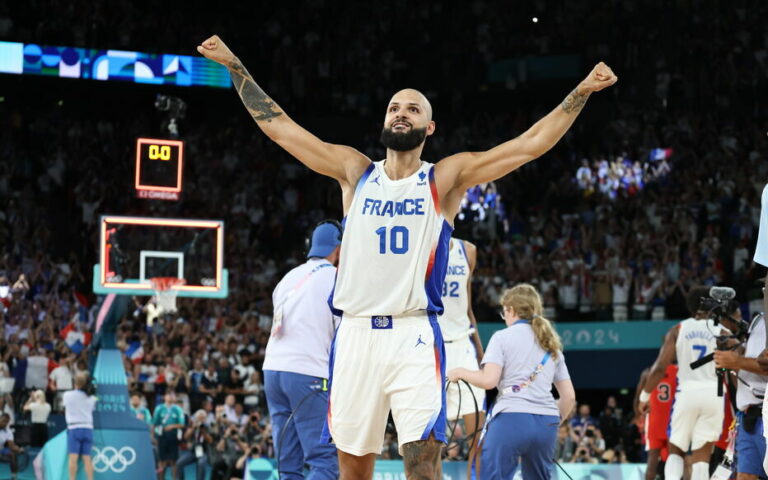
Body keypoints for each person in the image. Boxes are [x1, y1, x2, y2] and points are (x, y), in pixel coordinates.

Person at [197, 34, 615, 477]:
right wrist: (234, 65)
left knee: (423, 468)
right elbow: (279, 126)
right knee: (353, 470)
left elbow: (527, 145)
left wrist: (581, 92)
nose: (401, 113)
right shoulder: (355, 172)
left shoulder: (444, 179)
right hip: (355, 333)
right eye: (395, 107)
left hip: (413, 335)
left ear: (429, 128)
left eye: (413, 109)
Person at [448, 283, 576, 479]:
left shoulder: (502, 337)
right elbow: (568, 397)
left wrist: (460, 372)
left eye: (504, 312)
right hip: (547, 423)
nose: (504, 317)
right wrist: (551, 423)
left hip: (511, 418)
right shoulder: (552, 345)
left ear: (511, 310)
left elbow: (489, 381)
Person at [262, 221, 341, 479]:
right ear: (339, 249)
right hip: (307, 373)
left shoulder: (289, 277)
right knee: (324, 464)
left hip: (273, 371)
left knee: (288, 465)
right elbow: (344, 335)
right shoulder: (337, 278)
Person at [638, 286, 740, 480]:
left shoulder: (678, 329)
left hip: (687, 393)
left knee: (676, 450)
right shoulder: (721, 331)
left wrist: (644, 396)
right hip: (714, 395)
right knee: (702, 457)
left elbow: (660, 367)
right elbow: (739, 362)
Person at [440, 237, 485, 475]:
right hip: (433, 346)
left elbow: (468, 308)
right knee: (428, 441)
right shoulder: (420, 244)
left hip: (463, 344)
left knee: (478, 439)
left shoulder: (467, 251)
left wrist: (479, 349)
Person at [714, 305, 768, 480]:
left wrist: (737, 361)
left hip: (764, 412)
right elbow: (751, 357)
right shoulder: (759, 319)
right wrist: (735, 348)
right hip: (748, 415)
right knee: (744, 476)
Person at [635, 364, 677, 480]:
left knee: (652, 460)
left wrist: (638, 415)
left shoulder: (648, 372)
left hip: (654, 421)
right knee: (674, 460)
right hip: (672, 421)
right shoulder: (677, 370)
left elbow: (638, 397)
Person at [62, 372, 97, 480]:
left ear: (75, 382)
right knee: (87, 458)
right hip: (88, 429)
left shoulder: (67, 395)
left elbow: (64, 406)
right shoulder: (92, 398)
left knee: (73, 458)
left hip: (74, 429)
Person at [153, 392, 186, 480]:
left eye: (172, 395)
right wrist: (153, 437)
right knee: (161, 460)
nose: (170, 397)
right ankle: (161, 478)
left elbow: (182, 424)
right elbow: (154, 424)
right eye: (168, 395)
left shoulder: (178, 409)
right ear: (165, 397)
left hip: (173, 437)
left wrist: (172, 426)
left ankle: (174, 478)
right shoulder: (159, 408)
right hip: (162, 436)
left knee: (174, 461)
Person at [176, 410, 213, 480]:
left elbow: (210, 441)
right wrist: (193, 428)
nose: (201, 420)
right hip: (193, 451)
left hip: (204, 451)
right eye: (199, 418)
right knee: (179, 463)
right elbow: (186, 437)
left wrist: (203, 431)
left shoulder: (208, 426)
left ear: (205, 419)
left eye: (202, 418)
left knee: (201, 463)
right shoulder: (193, 426)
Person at [0, 413, 23, 480]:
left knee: (13, 455)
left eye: (7, 421)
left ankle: (14, 477)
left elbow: (11, 446)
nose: (5, 423)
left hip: (1, 451)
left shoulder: (8, 432)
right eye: (3, 420)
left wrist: (19, 449)